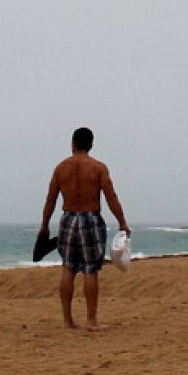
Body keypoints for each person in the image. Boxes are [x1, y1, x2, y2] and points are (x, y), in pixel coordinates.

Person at [39, 126, 130, 331]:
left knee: (68, 268)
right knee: (91, 270)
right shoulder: (98, 168)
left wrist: (44, 226)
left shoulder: (61, 168)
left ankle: (67, 320)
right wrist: (122, 222)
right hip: (90, 219)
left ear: (73, 144)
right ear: (90, 145)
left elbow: (51, 199)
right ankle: (91, 320)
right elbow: (111, 197)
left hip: (68, 219)